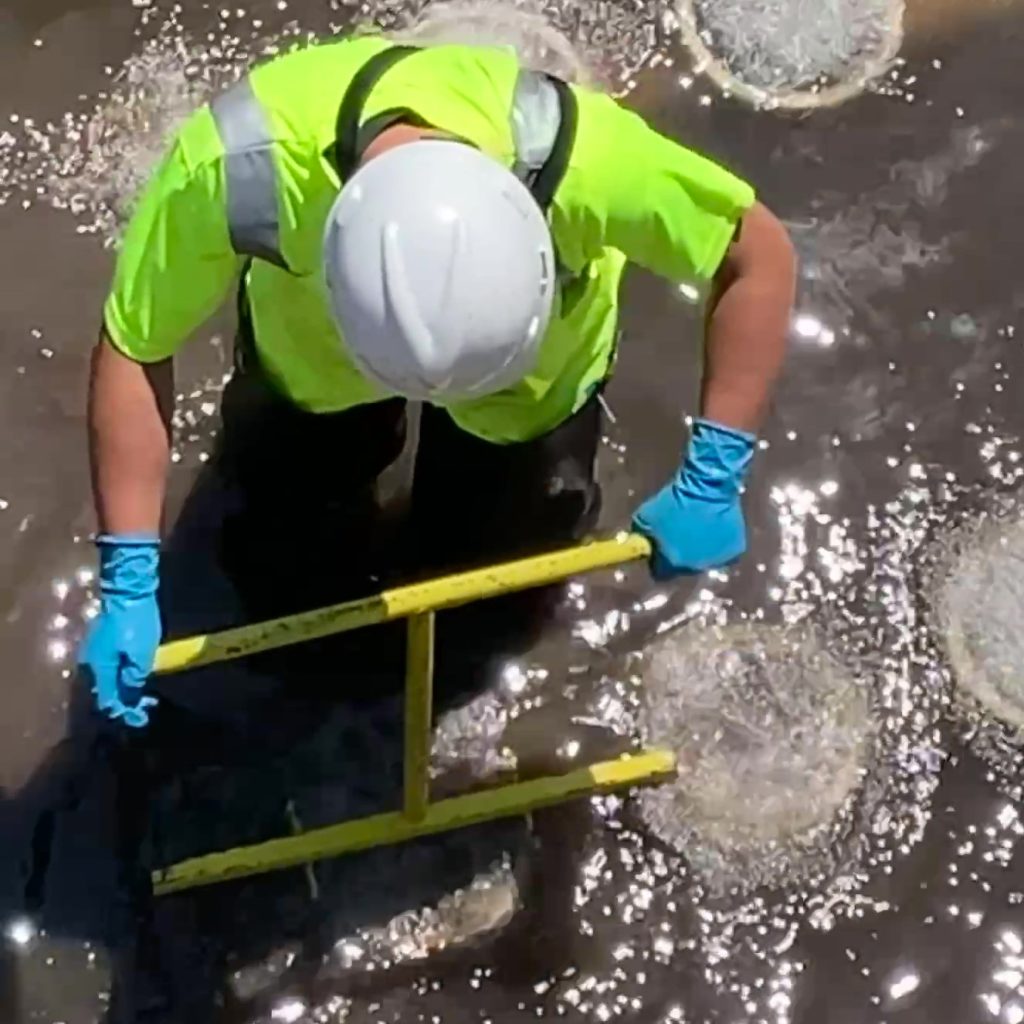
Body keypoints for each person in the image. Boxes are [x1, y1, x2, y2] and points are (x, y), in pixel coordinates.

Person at [78, 33, 797, 729]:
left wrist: (714, 468)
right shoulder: (238, 165)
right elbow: (136, 342)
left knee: (498, 565)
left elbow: (756, 252)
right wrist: (129, 575)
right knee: (277, 525)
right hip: (316, 360)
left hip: (529, 385)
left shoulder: (593, 162)